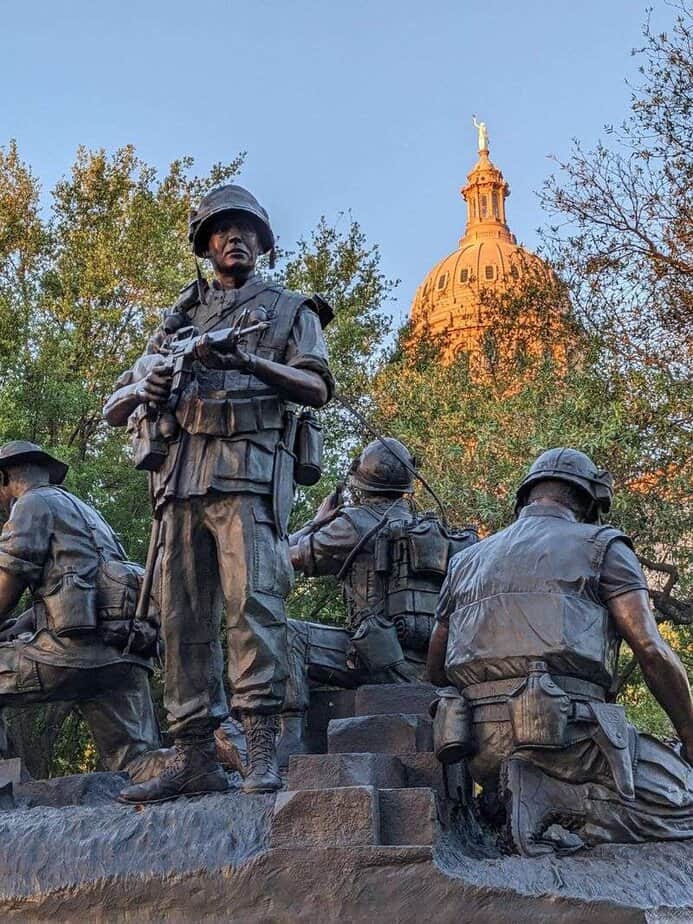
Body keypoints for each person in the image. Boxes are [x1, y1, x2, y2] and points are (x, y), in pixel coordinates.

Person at [105, 185, 334, 802]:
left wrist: (250, 362)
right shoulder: (175, 322)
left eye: (246, 230)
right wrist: (148, 380)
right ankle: (193, 754)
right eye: (221, 230)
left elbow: (316, 388)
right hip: (179, 477)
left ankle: (263, 748)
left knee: (251, 608)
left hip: (248, 474)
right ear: (205, 245)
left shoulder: (291, 311)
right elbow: (116, 407)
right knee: (178, 618)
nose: (234, 238)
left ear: (262, 242)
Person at [427, 447, 693, 855]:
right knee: (685, 803)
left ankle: (515, 801)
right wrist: (689, 734)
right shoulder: (603, 545)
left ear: (526, 497)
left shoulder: (464, 561)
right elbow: (650, 650)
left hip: (478, 749)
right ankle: (553, 801)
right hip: (565, 743)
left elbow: (436, 669)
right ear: (589, 502)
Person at [279, 438, 477, 763]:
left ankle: (290, 743)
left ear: (360, 484)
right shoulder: (436, 532)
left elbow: (277, 558)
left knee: (287, 634)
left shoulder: (351, 525)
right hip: (428, 665)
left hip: (372, 660)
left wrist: (315, 523)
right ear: (407, 487)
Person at [0, 441, 160, 779]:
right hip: (122, 655)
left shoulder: (30, 504)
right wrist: (18, 627)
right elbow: (79, 586)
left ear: (4, 478)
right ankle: (213, 749)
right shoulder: (87, 513)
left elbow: (8, 582)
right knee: (138, 763)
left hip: (71, 654)